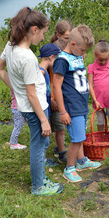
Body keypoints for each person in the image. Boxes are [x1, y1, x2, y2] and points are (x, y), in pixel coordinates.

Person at [0, 6, 63, 196]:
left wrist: (15, 89)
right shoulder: (28, 57)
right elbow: (32, 94)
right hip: (35, 109)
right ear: (34, 30)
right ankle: (38, 187)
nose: (42, 38)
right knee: (39, 147)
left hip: (27, 106)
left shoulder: (11, 46)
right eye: (42, 33)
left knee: (41, 144)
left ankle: (40, 178)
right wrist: (43, 120)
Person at [53, 24, 101, 183]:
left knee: (80, 136)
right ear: (73, 44)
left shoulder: (76, 55)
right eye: (83, 50)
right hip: (71, 108)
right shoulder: (62, 60)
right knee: (77, 139)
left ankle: (81, 161)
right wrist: (62, 111)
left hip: (81, 105)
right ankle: (70, 167)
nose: (84, 53)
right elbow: (57, 86)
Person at [49, 20, 72, 161]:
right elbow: (51, 83)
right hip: (54, 99)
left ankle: (60, 147)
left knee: (60, 127)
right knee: (59, 128)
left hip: (61, 98)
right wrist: (52, 99)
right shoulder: (53, 58)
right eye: (66, 38)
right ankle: (62, 151)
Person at [88, 40, 109, 133]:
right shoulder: (91, 67)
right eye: (101, 60)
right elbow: (90, 85)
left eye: (106, 59)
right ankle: (100, 137)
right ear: (95, 55)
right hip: (98, 99)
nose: (103, 62)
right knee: (100, 119)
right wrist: (95, 100)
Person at [38, 43, 61, 167]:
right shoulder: (41, 72)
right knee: (43, 138)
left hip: (46, 107)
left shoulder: (43, 71)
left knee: (45, 138)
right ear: (52, 57)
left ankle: (44, 159)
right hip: (42, 109)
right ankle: (42, 161)